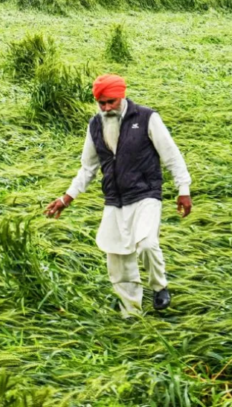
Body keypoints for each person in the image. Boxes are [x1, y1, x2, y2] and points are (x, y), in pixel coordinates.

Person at [45, 74, 192, 316]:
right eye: (101, 103)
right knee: (117, 258)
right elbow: (88, 168)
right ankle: (131, 314)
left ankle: (159, 286)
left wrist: (183, 189)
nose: (106, 108)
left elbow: (171, 155)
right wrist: (66, 198)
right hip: (115, 199)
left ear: (121, 96)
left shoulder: (146, 118)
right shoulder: (95, 125)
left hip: (146, 194)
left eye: (110, 102)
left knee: (146, 244)